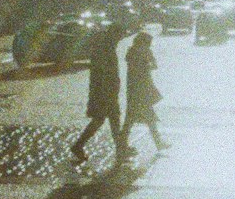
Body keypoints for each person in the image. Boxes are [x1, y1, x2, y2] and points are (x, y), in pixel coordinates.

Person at [70, 22, 127, 164]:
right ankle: (79, 145)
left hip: (107, 90)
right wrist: (108, 90)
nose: (120, 39)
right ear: (114, 34)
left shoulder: (107, 45)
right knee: (104, 120)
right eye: (119, 36)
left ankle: (120, 150)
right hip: (104, 91)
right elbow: (102, 71)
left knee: (109, 120)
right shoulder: (105, 47)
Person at [121, 29, 167, 155]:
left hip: (140, 90)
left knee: (134, 120)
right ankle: (122, 145)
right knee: (136, 120)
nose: (149, 46)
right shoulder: (136, 54)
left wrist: (149, 57)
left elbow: (153, 65)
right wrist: (148, 59)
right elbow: (146, 68)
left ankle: (158, 143)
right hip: (139, 90)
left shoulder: (135, 52)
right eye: (148, 43)